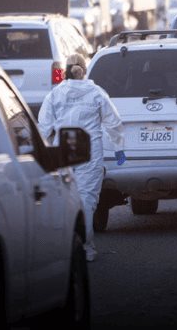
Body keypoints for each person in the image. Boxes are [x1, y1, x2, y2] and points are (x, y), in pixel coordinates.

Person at [38, 53, 126, 261]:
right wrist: (118, 147)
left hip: (63, 151)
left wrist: (42, 151)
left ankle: (65, 248)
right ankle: (87, 248)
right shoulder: (96, 93)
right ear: (84, 71)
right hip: (89, 150)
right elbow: (113, 122)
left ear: (66, 72)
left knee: (64, 198)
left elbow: (44, 126)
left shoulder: (55, 94)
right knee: (86, 198)